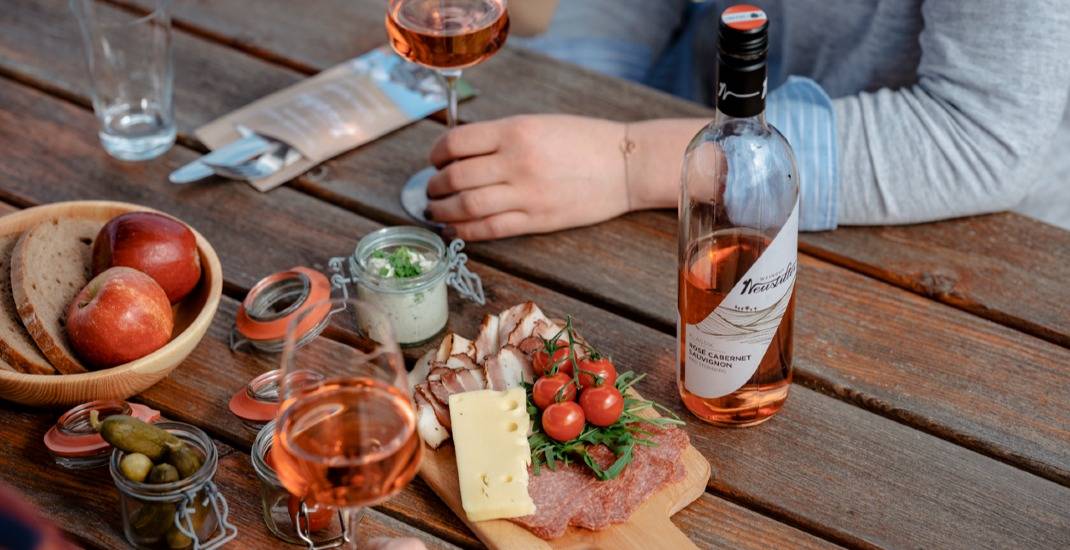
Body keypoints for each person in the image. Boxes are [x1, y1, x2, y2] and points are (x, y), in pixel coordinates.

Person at [425, 0, 1070, 241]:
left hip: (924, 234)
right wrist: (585, 91)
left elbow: (979, 137)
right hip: (671, 150)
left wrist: (628, 161)